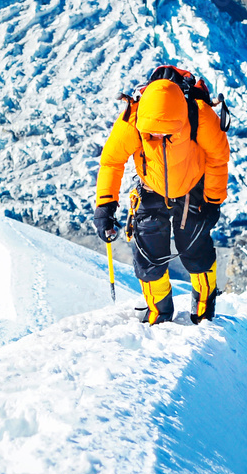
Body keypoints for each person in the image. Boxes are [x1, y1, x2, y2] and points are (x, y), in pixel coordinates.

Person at [93, 66, 230, 325]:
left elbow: (218, 157)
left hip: (192, 189)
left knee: (195, 252)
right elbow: (112, 161)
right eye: (151, 134)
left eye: (165, 133)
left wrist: (212, 201)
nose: (156, 137)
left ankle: (204, 308)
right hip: (151, 188)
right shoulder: (134, 118)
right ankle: (159, 311)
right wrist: (105, 206)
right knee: (147, 255)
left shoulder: (199, 115)